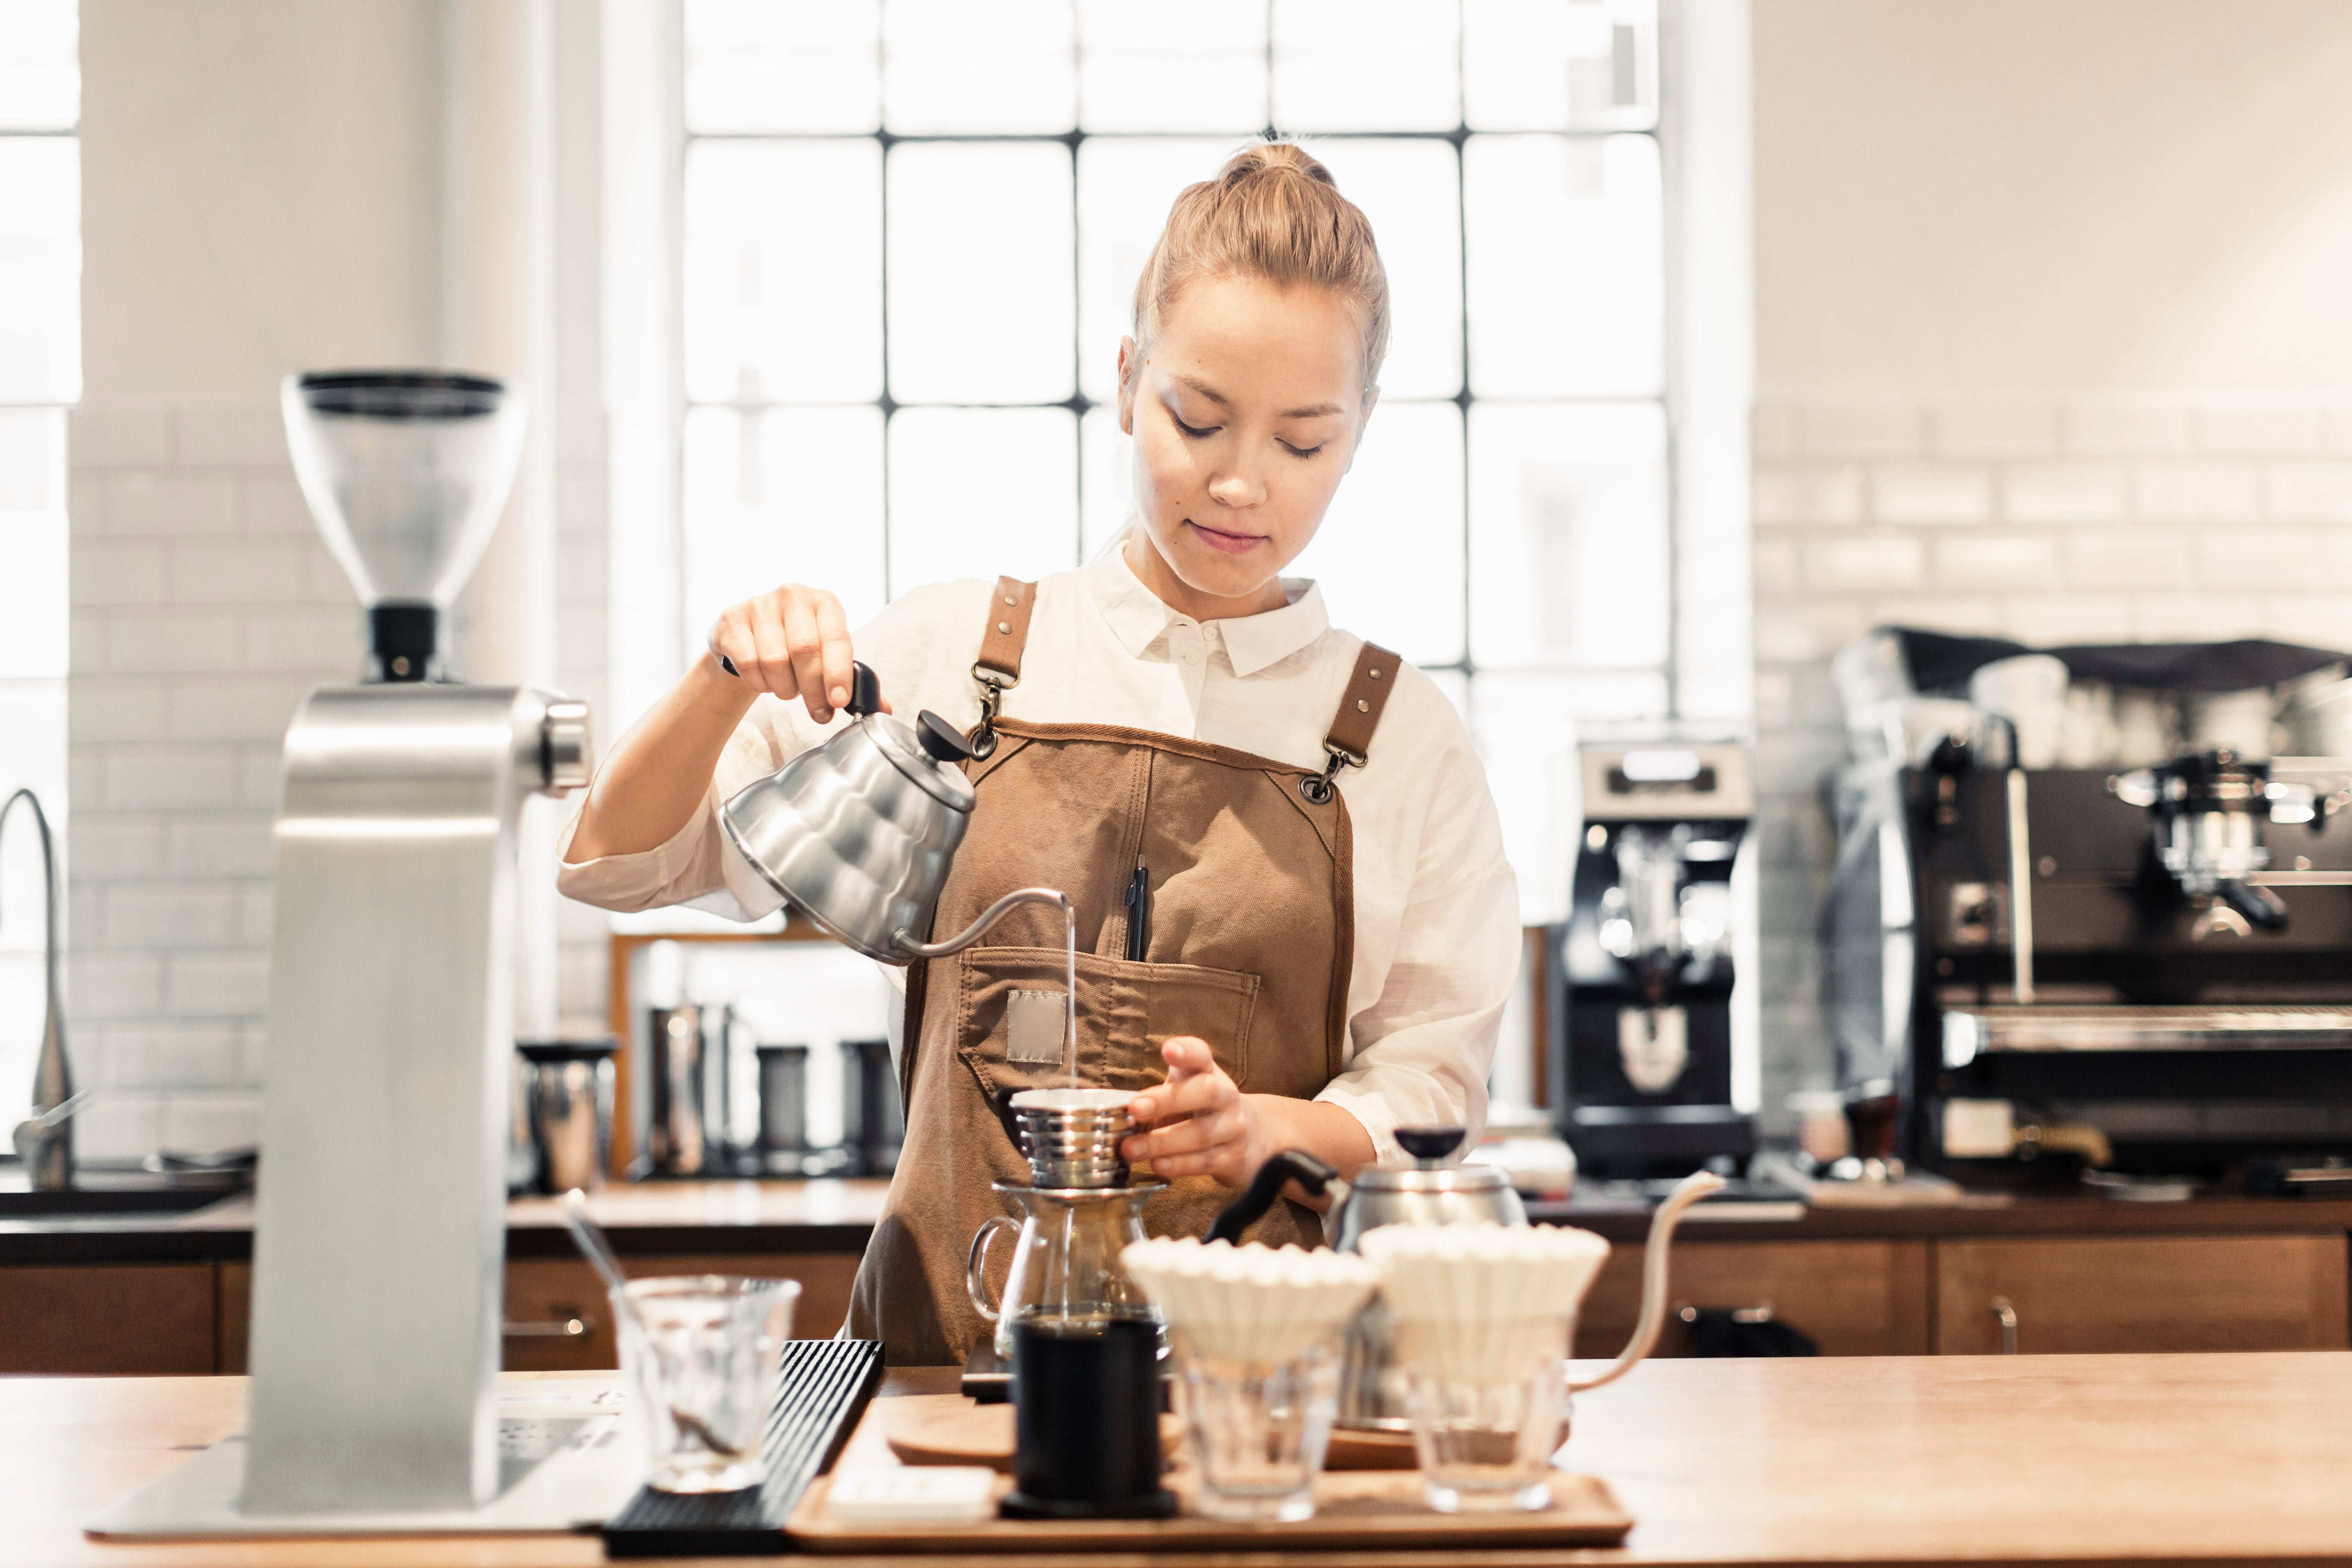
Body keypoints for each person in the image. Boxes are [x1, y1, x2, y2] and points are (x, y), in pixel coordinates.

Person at [559, 142, 1520, 1366]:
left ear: (1360, 433)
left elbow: (1432, 1086)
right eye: (1197, 417)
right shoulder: (954, 654)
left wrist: (1270, 1127)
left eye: (1302, 442)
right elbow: (613, 866)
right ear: (1127, 383)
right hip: (935, 1379)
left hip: (1255, 1397)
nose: (1239, 484)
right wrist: (721, 678)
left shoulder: (1403, 739)